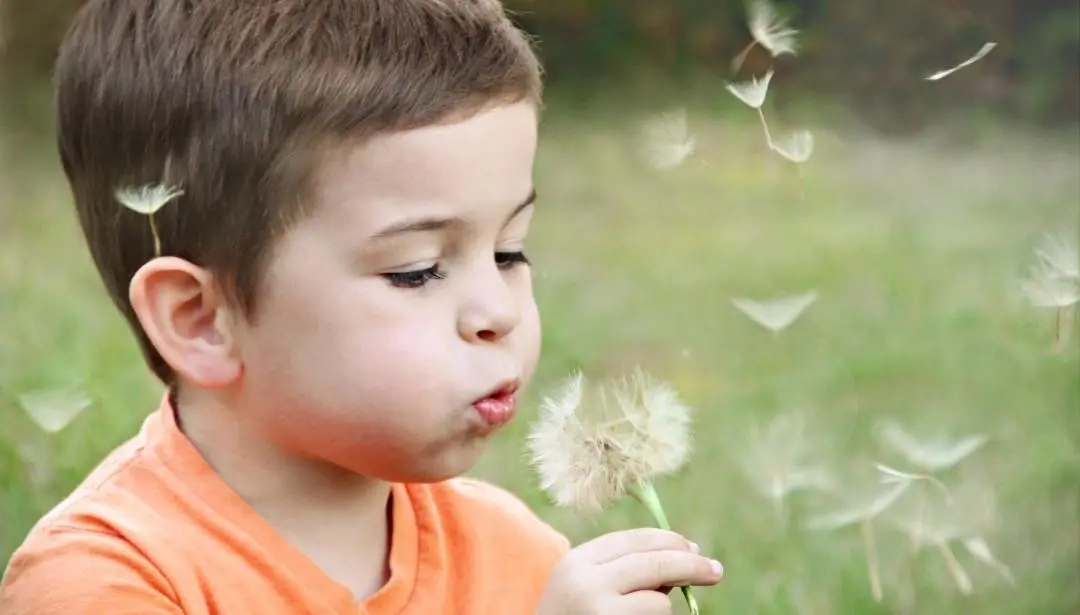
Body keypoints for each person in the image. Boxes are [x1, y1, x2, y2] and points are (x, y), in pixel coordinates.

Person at [0, 1, 724, 613]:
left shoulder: (517, 556)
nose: (496, 311)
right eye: (416, 271)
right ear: (200, 319)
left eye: (509, 251)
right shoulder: (105, 581)